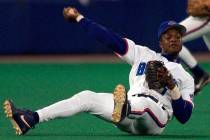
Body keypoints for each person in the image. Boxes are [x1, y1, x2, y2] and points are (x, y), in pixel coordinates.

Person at [3, 7, 194, 135]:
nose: (173, 39)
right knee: (86, 97)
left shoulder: (185, 77)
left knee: (143, 102)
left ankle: (125, 108)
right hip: (127, 114)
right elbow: (109, 38)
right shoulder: (142, 54)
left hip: (155, 118)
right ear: (160, 41)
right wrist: (80, 18)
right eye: (168, 36)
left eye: (177, 36)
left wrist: (172, 87)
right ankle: (31, 118)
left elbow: (184, 117)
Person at [178, 0, 210, 94]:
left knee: (172, 36)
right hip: (202, 17)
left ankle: (200, 74)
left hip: (206, 18)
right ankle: (200, 74)